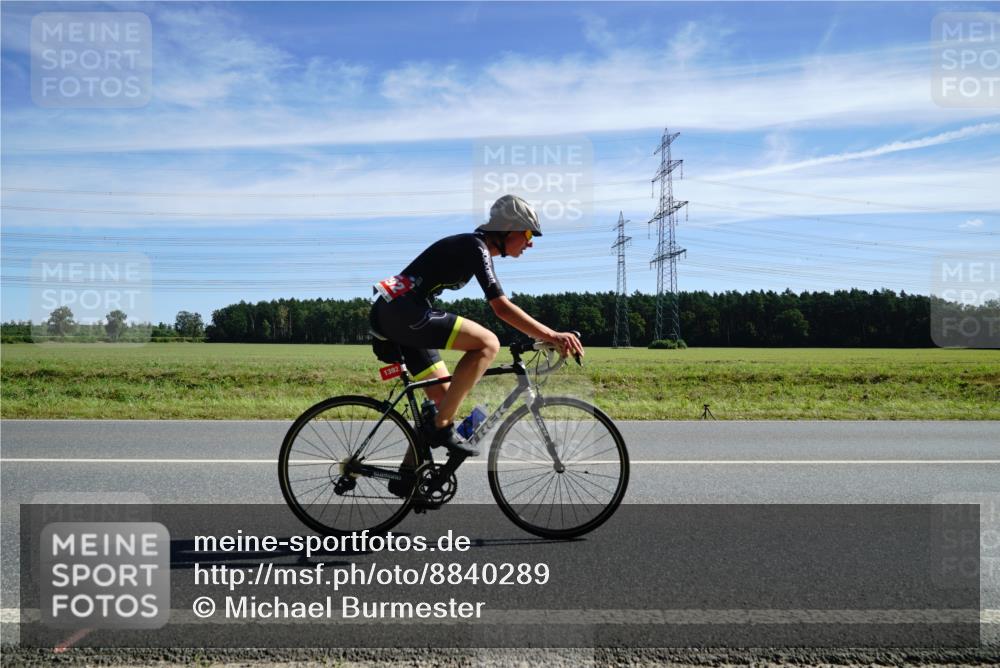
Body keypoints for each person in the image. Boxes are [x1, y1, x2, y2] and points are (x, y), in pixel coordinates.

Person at [369, 194, 584, 459]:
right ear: (508, 229)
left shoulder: (475, 248)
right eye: (528, 233)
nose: (530, 243)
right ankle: (440, 428)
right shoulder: (476, 246)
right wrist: (552, 334)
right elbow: (501, 307)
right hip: (402, 312)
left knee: (445, 401)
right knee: (488, 343)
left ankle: (409, 481)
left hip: (397, 312)